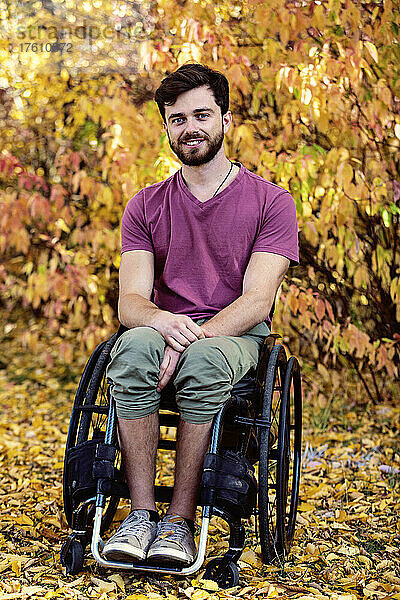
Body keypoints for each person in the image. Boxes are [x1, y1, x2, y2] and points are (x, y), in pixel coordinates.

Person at [103, 63, 299, 567]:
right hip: (165, 326)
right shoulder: (145, 206)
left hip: (235, 333)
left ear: (226, 120)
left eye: (201, 115)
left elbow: (258, 301)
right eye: (177, 119)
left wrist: (189, 339)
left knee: (206, 361)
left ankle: (179, 522)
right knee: (129, 350)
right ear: (167, 127)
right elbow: (131, 303)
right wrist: (166, 326)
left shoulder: (272, 203)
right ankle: (142, 516)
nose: (190, 127)